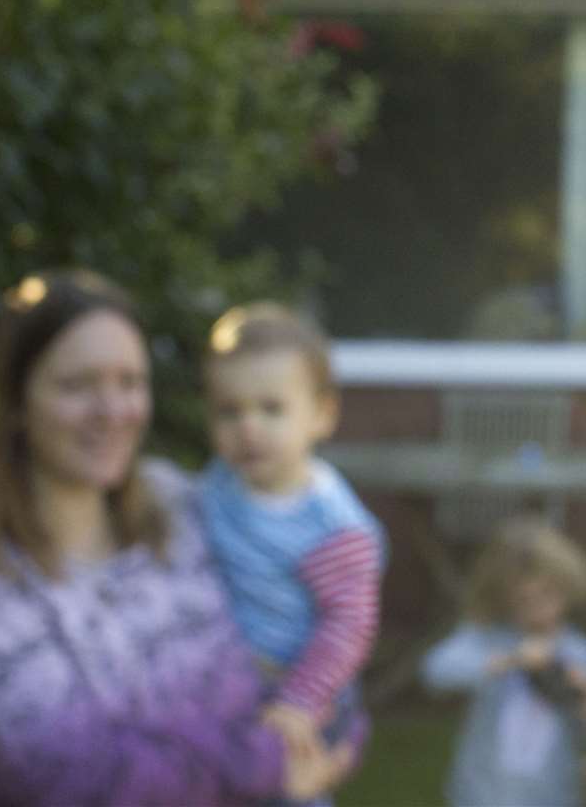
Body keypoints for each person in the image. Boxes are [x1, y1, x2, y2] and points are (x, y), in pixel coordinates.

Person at [0, 270, 353, 806]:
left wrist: (325, 716)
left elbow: (313, 640)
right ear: (15, 404)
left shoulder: (184, 509)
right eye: (77, 386)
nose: (112, 412)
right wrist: (267, 757)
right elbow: (68, 783)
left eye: (129, 383)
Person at [197, 301, 387, 807]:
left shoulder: (330, 523)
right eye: (229, 411)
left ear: (321, 414)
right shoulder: (218, 486)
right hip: (236, 687)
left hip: (303, 688)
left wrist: (300, 702)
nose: (249, 428)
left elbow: (350, 624)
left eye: (271, 409)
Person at [420, 515, 586, 807]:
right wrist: (509, 661)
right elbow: (435, 672)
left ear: (567, 587)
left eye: (548, 594)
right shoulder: (489, 638)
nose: (539, 609)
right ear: (506, 597)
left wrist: (583, 700)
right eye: (525, 600)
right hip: (480, 793)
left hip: (552, 795)